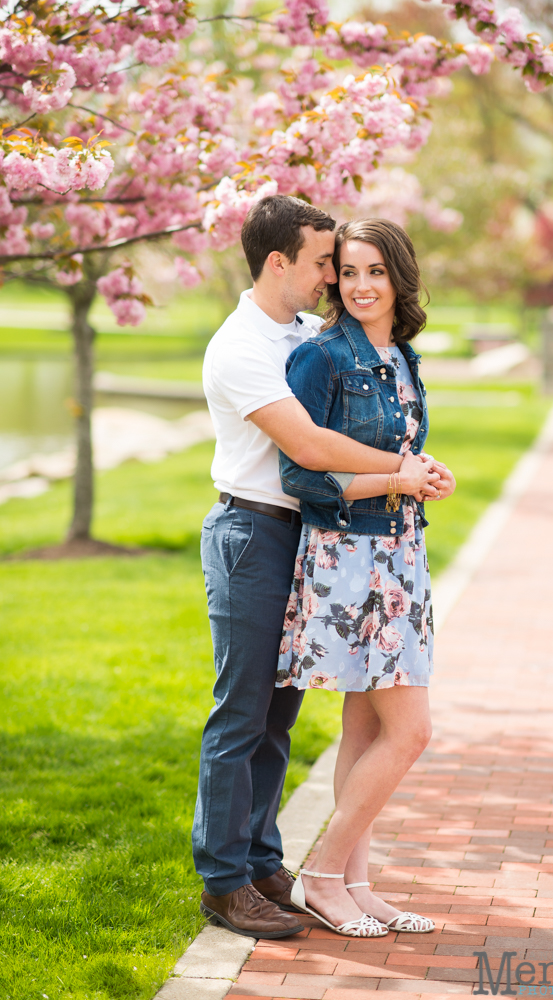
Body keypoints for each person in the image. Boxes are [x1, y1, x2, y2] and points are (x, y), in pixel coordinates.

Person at [193, 196, 452, 940]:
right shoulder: (241, 347)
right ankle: (222, 881)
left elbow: (357, 368)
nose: (330, 281)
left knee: (278, 716)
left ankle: (261, 859)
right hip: (253, 531)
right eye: (321, 265)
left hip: (307, 535)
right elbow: (307, 449)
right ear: (279, 262)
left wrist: (407, 473)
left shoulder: (306, 331)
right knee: (241, 713)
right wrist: (408, 470)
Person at [277, 218, 454, 937]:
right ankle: (320, 874)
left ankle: (355, 884)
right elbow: (301, 475)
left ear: (398, 277)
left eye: (374, 272)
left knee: (365, 724)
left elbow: (398, 461)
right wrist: (393, 477)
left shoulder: (402, 355)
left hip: (399, 552)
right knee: (410, 732)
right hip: (349, 558)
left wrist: (422, 478)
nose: (359, 286)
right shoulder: (320, 359)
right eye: (347, 272)